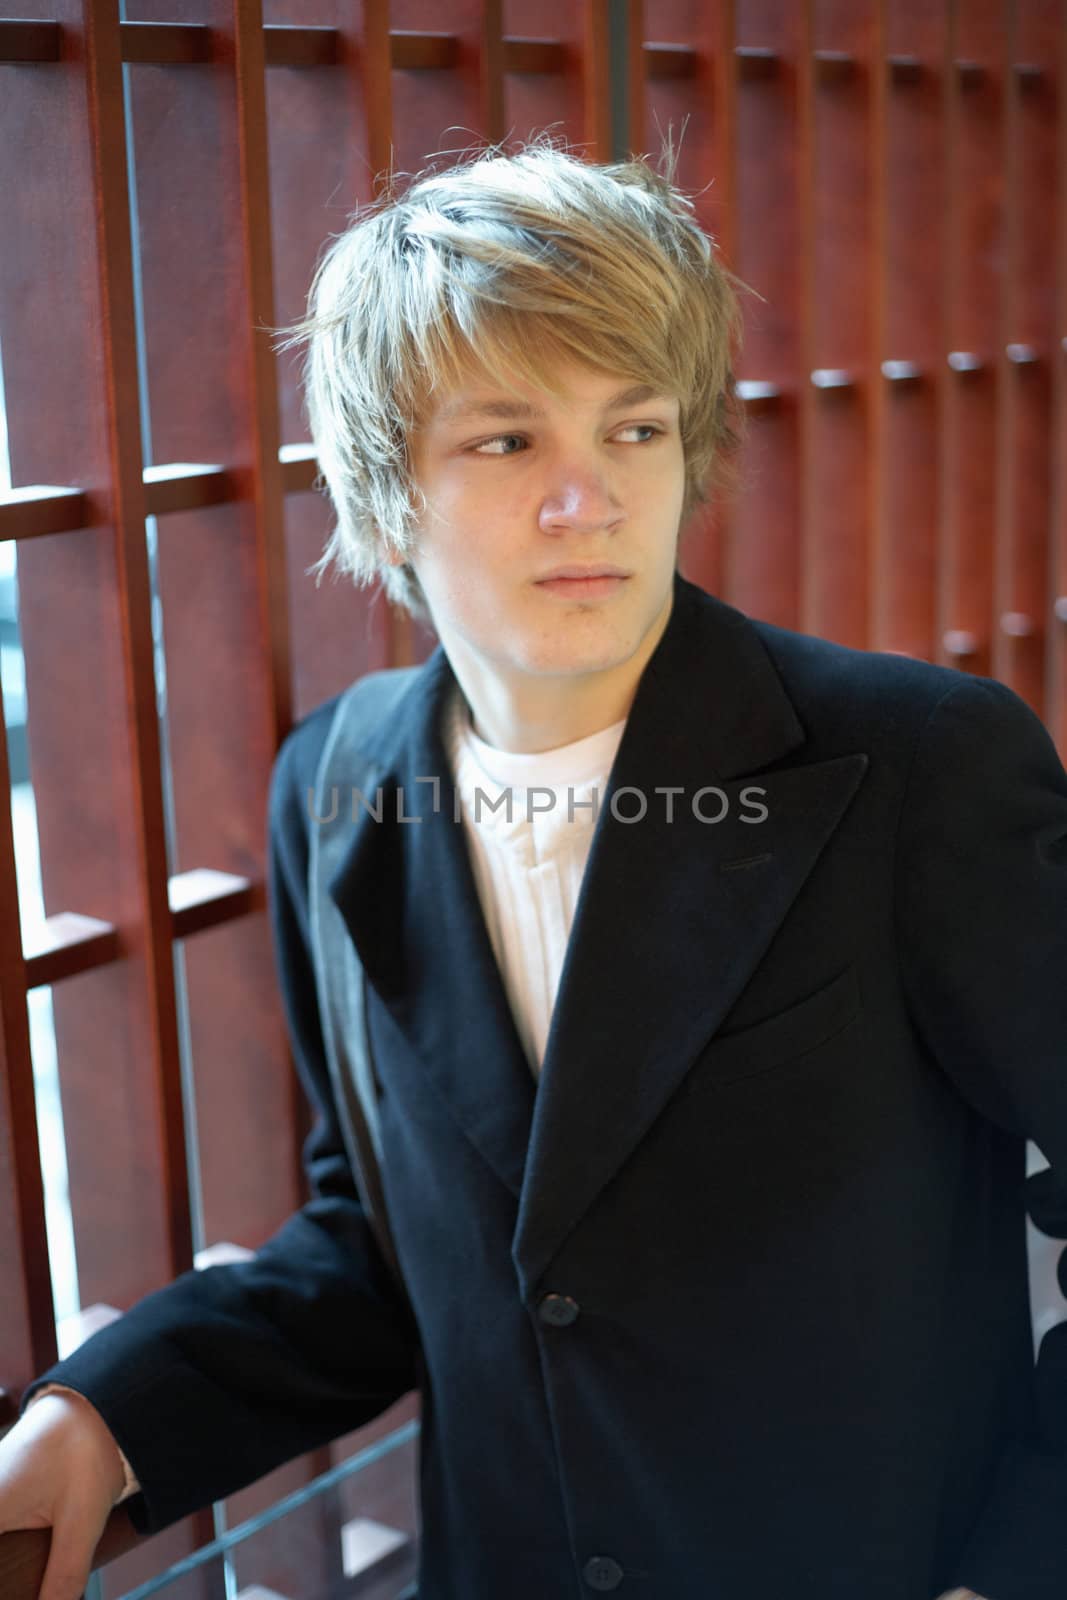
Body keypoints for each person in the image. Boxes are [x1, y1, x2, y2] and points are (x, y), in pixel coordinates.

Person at [1, 131, 1063, 1600]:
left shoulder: (919, 762)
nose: (592, 500)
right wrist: (103, 1417)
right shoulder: (338, 785)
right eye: (509, 442)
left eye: (634, 430)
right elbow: (384, 1253)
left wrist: (1017, 1569)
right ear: (384, 487)